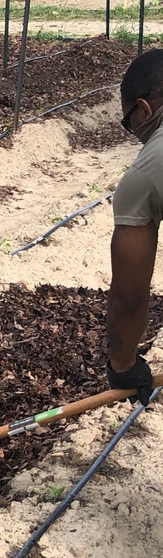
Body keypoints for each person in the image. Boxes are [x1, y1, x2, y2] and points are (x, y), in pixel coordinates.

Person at [106, 49, 163, 405]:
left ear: (143, 109)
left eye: (130, 124)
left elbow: (129, 297)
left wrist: (123, 365)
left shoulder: (145, 175)